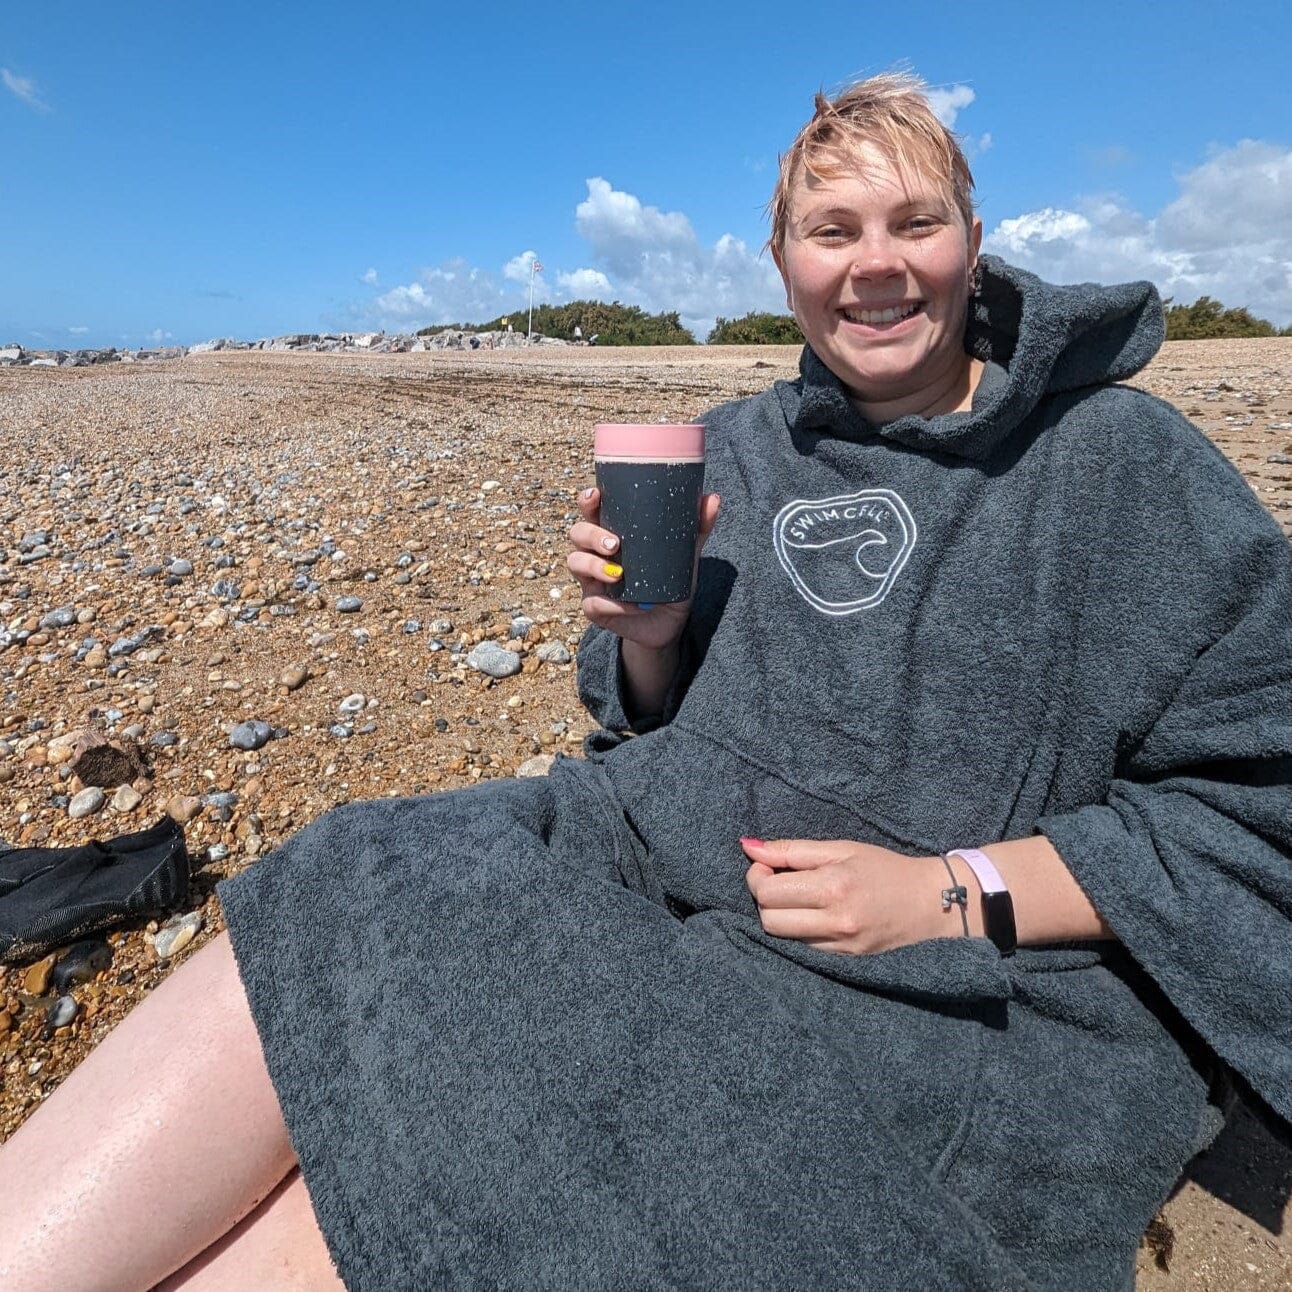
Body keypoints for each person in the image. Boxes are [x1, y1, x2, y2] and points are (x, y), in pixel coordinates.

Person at [2, 73, 1289, 1291]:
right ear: (783, 263)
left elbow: (1251, 810)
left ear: (972, 236)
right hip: (650, 851)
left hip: (923, 982)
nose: (875, 261)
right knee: (344, 895)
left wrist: (951, 890)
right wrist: (650, 633)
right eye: (829, 228)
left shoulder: (1118, 465)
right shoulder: (737, 446)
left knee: (407, 1207)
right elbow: (645, 714)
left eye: (915, 220)